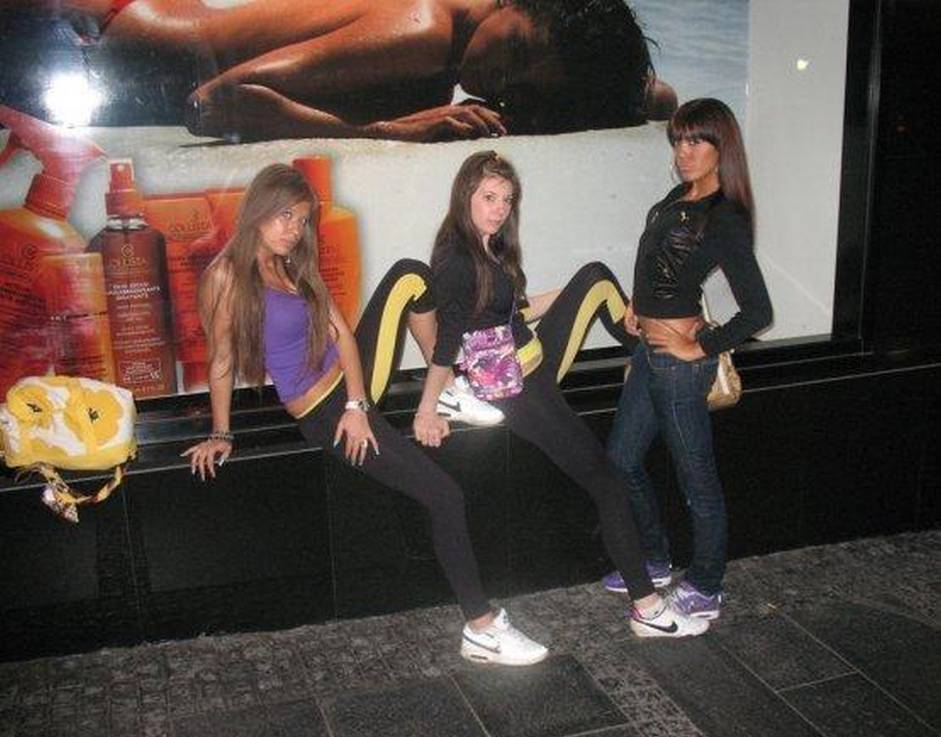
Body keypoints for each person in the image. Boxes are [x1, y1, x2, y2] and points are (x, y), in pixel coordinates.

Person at [183, 163, 546, 665]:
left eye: (302, 220)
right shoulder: (226, 277)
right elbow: (221, 361)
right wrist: (221, 433)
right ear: (259, 210)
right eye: (285, 216)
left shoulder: (292, 266)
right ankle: (481, 629)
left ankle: (447, 388)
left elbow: (343, 337)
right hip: (322, 412)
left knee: (411, 275)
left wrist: (357, 403)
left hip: (351, 394)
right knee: (445, 495)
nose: (294, 229)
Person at [412, 150, 709, 639]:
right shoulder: (458, 260)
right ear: (465, 195)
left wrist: (568, 293)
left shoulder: (488, 248)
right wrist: (430, 405)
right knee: (607, 482)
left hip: (533, 364)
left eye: (507, 199)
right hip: (517, 389)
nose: (499, 209)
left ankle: (649, 349)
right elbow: (448, 339)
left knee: (593, 276)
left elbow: (515, 310)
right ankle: (648, 607)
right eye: (489, 197)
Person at [15, 0, 675, 139]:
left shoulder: (456, 32)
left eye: (524, 82)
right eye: (519, 52)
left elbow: (659, 98)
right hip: (92, 40)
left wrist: (636, 95)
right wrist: (384, 132)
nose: (503, 80)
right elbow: (211, 103)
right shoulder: (424, 31)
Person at [603, 98, 773, 619]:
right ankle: (655, 559)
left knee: (696, 479)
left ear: (723, 147)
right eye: (678, 140)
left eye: (696, 140)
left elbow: (758, 310)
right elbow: (657, 260)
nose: (684, 151)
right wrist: (637, 304)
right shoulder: (677, 197)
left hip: (680, 367)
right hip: (649, 353)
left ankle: (706, 584)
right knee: (620, 461)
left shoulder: (725, 216)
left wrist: (699, 347)